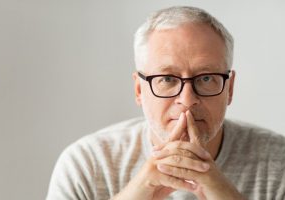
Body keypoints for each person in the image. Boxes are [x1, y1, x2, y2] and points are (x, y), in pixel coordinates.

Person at [46, 6, 285, 200]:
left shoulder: (278, 162)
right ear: (140, 90)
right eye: (167, 79)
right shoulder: (87, 163)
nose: (188, 100)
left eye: (206, 78)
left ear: (229, 89)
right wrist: (138, 192)